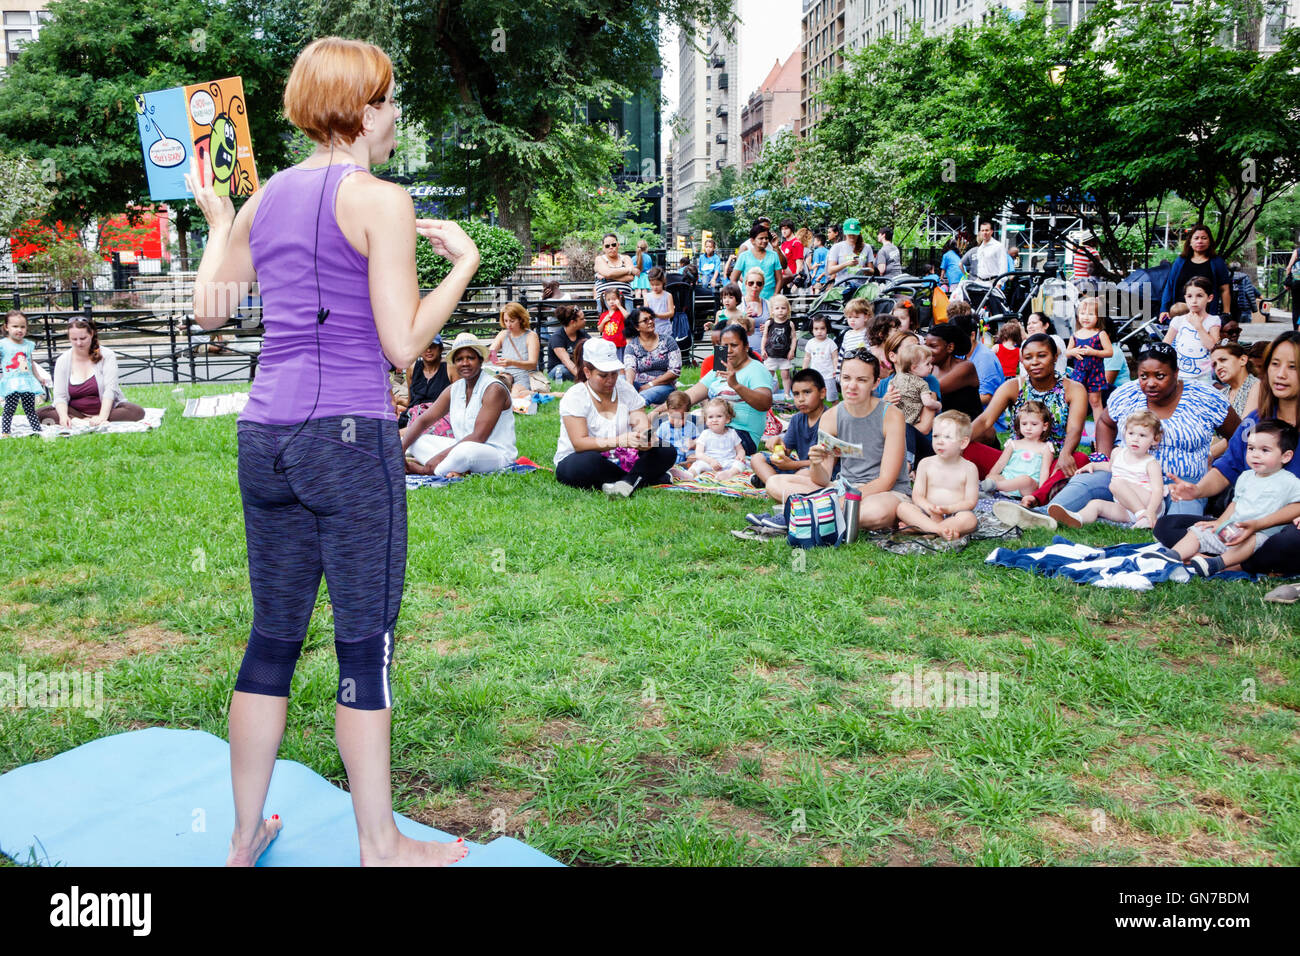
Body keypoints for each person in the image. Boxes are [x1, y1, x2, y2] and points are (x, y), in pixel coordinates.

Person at [187, 36, 478, 867]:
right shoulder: (380, 199)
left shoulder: (266, 196)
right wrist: (462, 266)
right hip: (347, 442)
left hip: (265, 438)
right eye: (388, 101)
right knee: (363, 642)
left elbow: (212, 309)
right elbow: (403, 344)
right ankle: (380, 844)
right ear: (359, 109)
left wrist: (217, 222)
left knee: (273, 636)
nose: (395, 117)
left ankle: (243, 837)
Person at [1013, 341, 1240, 528]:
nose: (1150, 383)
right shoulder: (1128, 394)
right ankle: (1041, 516)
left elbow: (1239, 438)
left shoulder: (1204, 397)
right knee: (1085, 481)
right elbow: (1104, 422)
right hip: (1126, 476)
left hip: (1180, 481)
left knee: (1179, 527)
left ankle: (1161, 524)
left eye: (1160, 376)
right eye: (1143, 376)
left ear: (1176, 373)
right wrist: (1104, 458)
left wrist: (1216, 464)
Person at [1156, 332, 1300, 590]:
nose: (1281, 374)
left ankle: (1232, 563)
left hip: (1285, 525)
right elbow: (1227, 469)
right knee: (1169, 525)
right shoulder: (1256, 420)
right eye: (1275, 364)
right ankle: (1233, 560)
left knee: (1291, 541)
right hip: (1246, 518)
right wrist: (1197, 490)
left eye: (1293, 367)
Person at [1156, 420, 1300, 577]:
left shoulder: (1290, 481)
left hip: (1262, 535)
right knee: (1197, 531)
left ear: (1286, 456)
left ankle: (1218, 563)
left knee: (1253, 540)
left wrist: (1257, 525)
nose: (1255, 455)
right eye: (1251, 448)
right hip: (1234, 529)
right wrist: (1219, 523)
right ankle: (1172, 556)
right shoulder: (1246, 476)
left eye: (1265, 450)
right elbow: (1235, 503)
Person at [966, 333, 1090, 512]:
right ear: (1022, 361)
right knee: (967, 447)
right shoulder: (1013, 386)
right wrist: (956, 442)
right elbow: (985, 421)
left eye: (1042, 355)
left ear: (1055, 356)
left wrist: (1066, 453)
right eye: (1028, 357)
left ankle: (1035, 498)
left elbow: (1075, 428)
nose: (1034, 362)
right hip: (1014, 462)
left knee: (1080, 459)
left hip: (1053, 463)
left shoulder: (1073, 389)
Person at [553, 337, 676, 496]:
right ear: (587, 372)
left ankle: (626, 483)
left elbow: (641, 423)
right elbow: (579, 443)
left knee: (666, 450)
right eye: (603, 375)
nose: (610, 380)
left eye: (614, 373)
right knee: (585, 463)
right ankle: (643, 477)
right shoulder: (575, 396)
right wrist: (619, 441)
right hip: (586, 458)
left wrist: (646, 438)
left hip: (624, 455)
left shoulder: (625, 389)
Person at [805, 349, 909, 531]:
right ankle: (827, 514)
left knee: (875, 512)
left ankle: (816, 514)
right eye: (846, 378)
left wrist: (843, 500)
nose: (852, 386)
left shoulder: (891, 415)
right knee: (777, 483)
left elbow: (887, 481)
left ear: (876, 383)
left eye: (861, 380)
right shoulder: (830, 416)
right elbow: (822, 479)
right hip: (843, 487)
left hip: (885, 493)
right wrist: (815, 464)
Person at [401, 333, 516, 477]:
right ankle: (454, 469)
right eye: (460, 359)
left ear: (480, 360)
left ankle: (424, 470)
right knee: (416, 440)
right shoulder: (454, 389)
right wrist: (400, 451)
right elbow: (423, 421)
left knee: (464, 452)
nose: (465, 363)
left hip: (493, 453)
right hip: (460, 446)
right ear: (454, 363)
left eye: (471, 358)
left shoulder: (493, 389)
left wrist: (438, 458)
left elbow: (478, 437)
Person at [1049, 411, 1165, 529]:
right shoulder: (1118, 453)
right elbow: (1110, 467)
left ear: (1155, 439)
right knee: (1096, 505)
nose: (1135, 439)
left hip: (1149, 505)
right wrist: (1093, 466)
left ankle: (1144, 517)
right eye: (1131, 433)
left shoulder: (1150, 463)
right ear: (1125, 433)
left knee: (1116, 483)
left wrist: (1150, 512)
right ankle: (1076, 518)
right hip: (1126, 507)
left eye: (1142, 435)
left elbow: (1157, 490)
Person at [36, 316, 146, 427]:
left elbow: (110, 390)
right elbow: (60, 396)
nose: (79, 343)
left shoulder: (107, 355)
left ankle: (87, 421)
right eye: (74, 339)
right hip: (75, 412)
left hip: (106, 411)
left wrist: (102, 417)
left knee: (136, 411)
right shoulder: (63, 360)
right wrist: (63, 416)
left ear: (91, 334)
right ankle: (82, 421)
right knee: (40, 413)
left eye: (83, 338)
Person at [682, 324, 774, 455]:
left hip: (740, 437)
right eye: (725, 346)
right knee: (667, 426)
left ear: (746, 346)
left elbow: (765, 403)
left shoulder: (757, 369)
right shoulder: (720, 368)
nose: (729, 350)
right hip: (713, 427)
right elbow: (689, 395)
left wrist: (736, 385)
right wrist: (654, 414)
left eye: (734, 345)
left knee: (688, 450)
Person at [895, 411, 979, 541]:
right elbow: (918, 496)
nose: (939, 441)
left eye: (947, 437)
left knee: (970, 519)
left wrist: (948, 509)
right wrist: (930, 508)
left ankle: (924, 529)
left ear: (963, 443)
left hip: (954, 514)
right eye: (935, 436)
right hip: (927, 512)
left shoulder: (969, 468)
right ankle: (938, 530)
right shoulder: (925, 463)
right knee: (903, 507)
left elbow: (970, 501)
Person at [753, 368, 830, 497]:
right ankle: (777, 488)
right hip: (798, 467)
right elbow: (786, 452)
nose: (801, 399)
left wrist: (792, 464)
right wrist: (778, 446)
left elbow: (826, 463)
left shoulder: (829, 419)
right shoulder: (797, 419)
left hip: (820, 472)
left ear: (822, 393)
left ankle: (778, 488)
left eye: (807, 392)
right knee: (757, 458)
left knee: (803, 474)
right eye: (796, 394)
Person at [978, 401, 1054, 499]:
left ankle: (995, 487)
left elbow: (1045, 471)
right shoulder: (1013, 444)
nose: (1028, 428)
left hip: (1027, 488)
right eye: (1024, 424)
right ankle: (990, 491)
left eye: (1034, 424)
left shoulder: (1045, 447)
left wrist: (1041, 493)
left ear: (1044, 426)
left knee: (1024, 480)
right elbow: (1000, 464)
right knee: (991, 477)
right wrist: (991, 476)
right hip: (1007, 480)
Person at [1159, 223, 1232, 320]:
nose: (1200, 241)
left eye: (1204, 238)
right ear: (1190, 241)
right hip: (1179, 314)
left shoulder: (1217, 262)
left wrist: (1226, 313)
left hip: (1206, 316)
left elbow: (1225, 289)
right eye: (1196, 238)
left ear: (1209, 241)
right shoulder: (1180, 261)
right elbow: (1169, 286)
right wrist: (1164, 309)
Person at [2, 310, 53, 435]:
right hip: (12, 382)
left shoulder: (27, 345)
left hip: (27, 381)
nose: (19, 330)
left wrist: (38, 377)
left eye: (22, 327)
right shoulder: (3, 345)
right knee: (10, 408)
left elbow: (31, 363)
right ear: (6, 327)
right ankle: (5, 431)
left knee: (30, 408)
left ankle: (36, 429)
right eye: (15, 326)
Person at [1163, 275, 1221, 381]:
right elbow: (1166, 344)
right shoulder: (1178, 321)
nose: (1194, 300)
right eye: (1189, 296)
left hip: (1204, 376)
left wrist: (1198, 326)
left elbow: (1213, 346)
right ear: (1185, 298)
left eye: (1199, 296)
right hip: (1179, 374)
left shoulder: (1213, 320)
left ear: (1209, 298)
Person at [1067, 297, 1113, 424]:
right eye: (1082, 313)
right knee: (1076, 401)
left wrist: (1094, 352)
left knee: (1095, 402)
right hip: (1078, 374)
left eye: (1091, 314)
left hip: (1095, 373)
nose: (1086, 317)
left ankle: (1099, 430)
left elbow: (1109, 352)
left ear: (1099, 316)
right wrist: (1073, 352)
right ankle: (1074, 427)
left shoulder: (1100, 334)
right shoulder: (1075, 335)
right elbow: (1067, 353)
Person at [623, 305, 682, 405]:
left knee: (645, 395)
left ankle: (634, 406)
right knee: (620, 380)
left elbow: (675, 371)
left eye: (651, 318)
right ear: (637, 327)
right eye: (645, 320)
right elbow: (630, 368)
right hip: (639, 384)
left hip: (664, 386)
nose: (650, 321)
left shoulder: (668, 341)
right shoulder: (632, 346)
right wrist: (629, 386)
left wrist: (650, 384)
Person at [925, 324, 982, 420]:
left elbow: (935, 389)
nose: (927, 350)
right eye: (926, 346)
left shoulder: (966, 367)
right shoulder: (931, 368)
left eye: (933, 346)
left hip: (970, 429)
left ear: (950, 347)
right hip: (944, 428)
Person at [950, 313, 1005, 408]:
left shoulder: (984, 358)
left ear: (972, 335)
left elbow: (986, 397)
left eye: (957, 338)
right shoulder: (963, 354)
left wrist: (953, 400)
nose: (953, 343)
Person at [685, 398, 747, 480]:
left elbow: (740, 449)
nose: (714, 420)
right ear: (706, 420)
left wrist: (740, 455)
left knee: (740, 464)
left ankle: (729, 473)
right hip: (710, 463)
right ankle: (689, 474)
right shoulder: (705, 434)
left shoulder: (732, 433)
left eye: (719, 416)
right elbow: (699, 453)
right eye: (710, 417)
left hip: (728, 462)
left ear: (727, 419)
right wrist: (710, 461)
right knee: (698, 464)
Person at [396, 336, 451, 428]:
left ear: (440, 349)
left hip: (437, 420)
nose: (428, 350)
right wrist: (400, 401)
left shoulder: (449, 369)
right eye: (425, 346)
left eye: (433, 346)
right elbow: (411, 402)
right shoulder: (412, 369)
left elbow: (459, 402)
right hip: (411, 417)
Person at [487, 301, 539, 397]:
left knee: (514, 396)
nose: (508, 325)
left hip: (524, 374)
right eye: (506, 321)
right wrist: (492, 358)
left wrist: (512, 362)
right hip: (505, 374)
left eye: (512, 321)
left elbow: (532, 364)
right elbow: (491, 353)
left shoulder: (531, 336)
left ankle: (535, 394)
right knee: (493, 392)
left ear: (521, 319)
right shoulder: (503, 334)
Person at [889, 341, 942, 432]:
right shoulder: (922, 384)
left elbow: (890, 390)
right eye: (927, 364)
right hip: (912, 423)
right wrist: (938, 405)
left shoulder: (896, 377)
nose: (931, 367)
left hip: (897, 420)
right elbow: (927, 403)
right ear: (914, 368)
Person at [1210, 340, 1260, 422]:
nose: (1218, 367)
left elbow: (1244, 429)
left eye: (1223, 360)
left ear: (1243, 360)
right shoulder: (1222, 394)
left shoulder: (1257, 386)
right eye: (1214, 365)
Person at [731, 224, 783, 299]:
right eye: (761, 238)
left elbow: (779, 279)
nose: (765, 241)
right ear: (752, 241)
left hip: (769, 300)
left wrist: (775, 296)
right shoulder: (744, 256)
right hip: (748, 301)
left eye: (766, 238)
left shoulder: (774, 255)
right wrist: (740, 296)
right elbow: (733, 279)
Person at [654, 389, 700, 471]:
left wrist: (693, 443)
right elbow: (657, 441)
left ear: (687, 414)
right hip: (669, 455)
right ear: (668, 412)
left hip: (686, 454)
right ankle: (671, 468)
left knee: (694, 456)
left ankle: (687, 465)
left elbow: (699, 441)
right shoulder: (664, 426)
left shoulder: (691, 426)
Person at [761, 293, 797, 396]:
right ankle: (767, 394)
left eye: (783, 308)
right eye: (777, 308)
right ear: (772, 310)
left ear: (788, 310)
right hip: (770, 354)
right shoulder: (769, 323)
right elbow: (765, 337)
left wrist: (792, 351)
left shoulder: (789, 324)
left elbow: (794, 338)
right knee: (769, 376)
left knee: (785, 375)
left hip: (784, 356)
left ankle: (787, 394)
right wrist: (763, 349)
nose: (780, 310)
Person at [802, 314, 839, 403]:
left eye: (822, 328)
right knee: (816, 397)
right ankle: (820, 412)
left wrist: (836, 370)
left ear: (827, 329)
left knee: (832, 397)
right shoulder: (810, 343)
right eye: (816, 329)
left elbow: (835, 358)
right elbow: (807, 357)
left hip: (829, 375)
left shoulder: (830, 343)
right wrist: (804, 369)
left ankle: (835, 411)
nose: (819, 331)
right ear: (812, 329)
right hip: (815, 376)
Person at [547, 304, 588, 383]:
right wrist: (583, 379)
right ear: (573, 322)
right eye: (582, 319)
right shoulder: (557, 337)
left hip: (576, 368)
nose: (585, 320)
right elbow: (566, 361)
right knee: (562, 369)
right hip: (559, 371)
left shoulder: (582, 334)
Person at [826, 219, 873, 285]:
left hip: (861, 288)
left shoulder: (867, 247)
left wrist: (864, 270)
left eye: (854, 233)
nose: (852, 236)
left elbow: (871, 270)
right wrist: (846, 264)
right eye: (849, 233)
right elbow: (830, 270)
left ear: (859, 233)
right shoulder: (837, 247)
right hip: (842, 287)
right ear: (845, 233)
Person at [1024, 312, 1067, 378]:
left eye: (1034, 323)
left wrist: (1027, 337)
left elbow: (1054, 349)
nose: (1030, 326)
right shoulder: (1025, 342)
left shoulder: (1055, 338)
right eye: (1028, 324)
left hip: (1056, 384)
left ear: (1046, 325)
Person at [593, 233, 635, 299]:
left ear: (618, 245)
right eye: (607, 246)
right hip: (604, 298)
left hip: (624, 297)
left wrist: (605, 277)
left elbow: (631, 277)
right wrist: (629, 270)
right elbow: (608, 273)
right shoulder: (600, 259)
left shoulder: (626, 258)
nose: (611, 247)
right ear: (603, 248)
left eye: (613, 245)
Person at [740, 267, 770, 354]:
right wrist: (743, 319)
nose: (755, 286)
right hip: (743, 352)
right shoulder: (739, 304)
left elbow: (777, 324)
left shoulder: (768, 304)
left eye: (759, 283)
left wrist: (769, 328)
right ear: (745, 284)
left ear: (763, 286)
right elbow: (730, 328)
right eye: (751, 283)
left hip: (765, 352)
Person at [643, 266, 676, 340]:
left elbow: (671, 313)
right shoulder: (647, 296)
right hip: (652, 330)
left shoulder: (668, 295)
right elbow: (645, 312)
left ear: (663, 282)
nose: (655, 287)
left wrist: (657, 315)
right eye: (652, 285)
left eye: (657, 284)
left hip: (666, 329)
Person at [597, 287, 629, 359]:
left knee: (620, 364)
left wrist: (619, 306)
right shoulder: (604, 315)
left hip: (620, 345)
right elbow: (600, 329)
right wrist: (604, 321)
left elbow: (628, 317)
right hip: (607, 346)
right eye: (608, 300)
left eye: (614, 299)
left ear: (619, 299)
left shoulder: (621, 313)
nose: (611, 302)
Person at [778, 220, 805, 284]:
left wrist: (797, 278)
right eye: (782, 229)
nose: (783, 231)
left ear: (791, 229)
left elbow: (799, 264)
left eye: (786, 229)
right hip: (784, 278)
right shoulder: (783, 244)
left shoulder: (796, 243)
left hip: (793, 280)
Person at [1285, 234, 1300, 330]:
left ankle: (1296, 329)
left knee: (1296, 307)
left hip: (1297, 283)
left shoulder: (1297, 252)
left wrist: (1287, 282)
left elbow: (1289, 267)